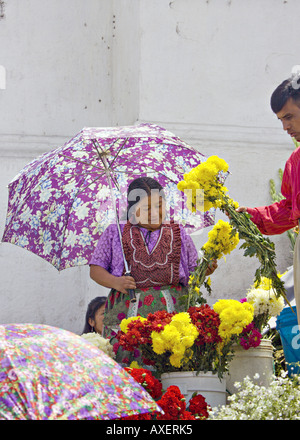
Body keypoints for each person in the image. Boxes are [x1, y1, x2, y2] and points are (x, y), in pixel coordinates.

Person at [89, 177, 217, 358]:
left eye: (159, 205)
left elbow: (192, 274)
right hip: (126, 316)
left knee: (171, 363)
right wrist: (116, 282)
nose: (155, 212)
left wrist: (206, 270)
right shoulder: (115, 232)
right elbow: (95, 269)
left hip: (173, 315)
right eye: (147, 208)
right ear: (132, 212)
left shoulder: (179, 233)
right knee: (131, 364)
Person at [236, 73, 300, 325]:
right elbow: (289, 209)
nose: (285, 127)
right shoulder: (295, 162)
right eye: (280, 120)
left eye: (289, 116)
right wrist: (253, 217)